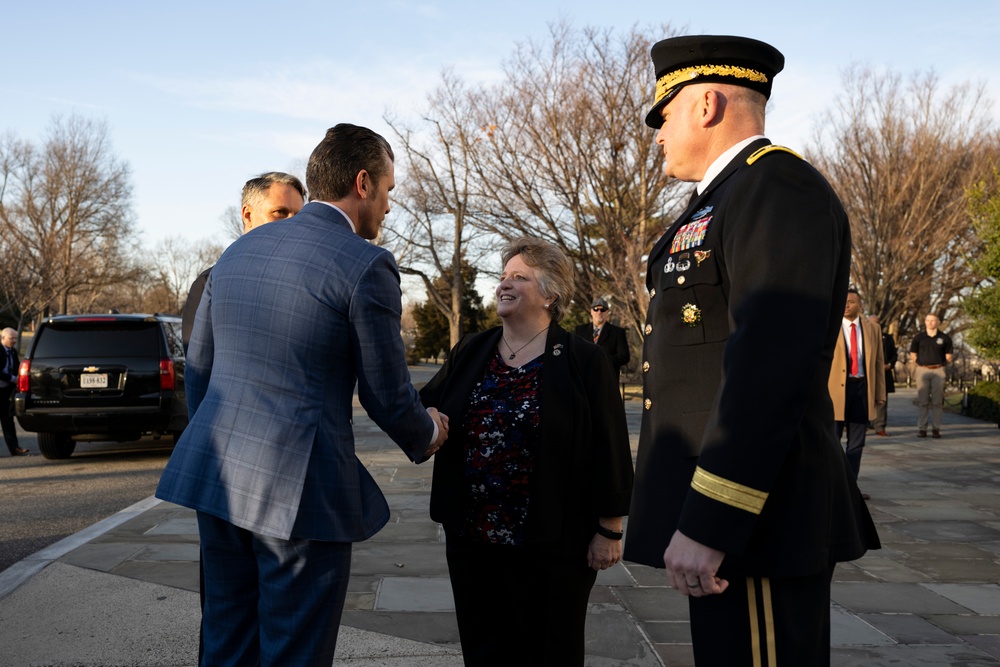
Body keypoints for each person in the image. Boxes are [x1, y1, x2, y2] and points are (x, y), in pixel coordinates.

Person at [624, 35, 880, 666]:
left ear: (707, 103)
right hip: (733, 524)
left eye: (665, 114)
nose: (656, 133)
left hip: (754, 524)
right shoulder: (723, 198)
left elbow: (768, 368)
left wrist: (712, 520)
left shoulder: (776, 188)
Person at [156, 124, 449, 666]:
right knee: (294, 650)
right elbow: (385, 393)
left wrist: (219, 449)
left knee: (224, 638)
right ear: (362, 183)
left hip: (216, 479)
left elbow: (200, 371)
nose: (388, 206)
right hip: (298, 493)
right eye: (388, 190)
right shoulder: (366, 263)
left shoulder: (235, 255)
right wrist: (429, 431)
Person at [420, 238, 633, 666]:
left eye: (519, 277)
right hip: (473, 539)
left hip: (554, 543)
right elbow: (428, 405)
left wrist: (610, 529)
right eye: (502, 277)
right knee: (484, 651)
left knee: (550, 650)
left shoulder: (583, 359)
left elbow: (610, 446)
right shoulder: (472, 350)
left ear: (551, 294)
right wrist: (427, 416)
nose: (504, 284)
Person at [180, 171, 306, 351]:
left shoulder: (311, 283)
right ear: (248, 215)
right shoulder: (210, 283)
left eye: (299, 216)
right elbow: (197, 363)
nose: (293, 223)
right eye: (279, 212)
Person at [827, 289, 885, 492]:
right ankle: (832, 487)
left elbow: (878, 362)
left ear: (860, 305)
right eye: (843, 302)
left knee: (857, 443)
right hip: (835, 392)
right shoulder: (829, 324)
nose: (846, 305)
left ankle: (851, 488)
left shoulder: (872, 329)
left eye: (850, 302)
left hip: (861, 389)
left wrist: (879, 393)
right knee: (832, 441)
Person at [909, 313, 953, 438]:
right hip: (922, 370)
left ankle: (936, 428)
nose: (930, 323)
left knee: (937, 401)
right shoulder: (919, 337)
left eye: (933, 320)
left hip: (938, 370)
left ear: (938, 322)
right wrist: (919, 363)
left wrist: (942, 364)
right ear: (925, 322)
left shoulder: (944, 338)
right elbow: (913, 353)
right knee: (923, 401)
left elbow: (949, 355)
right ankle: (922, 428)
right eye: (927, 320)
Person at [574, 297, 630, 377]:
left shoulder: (617, 332)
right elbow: (574, 354)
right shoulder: (580, 331)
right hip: (584, 381)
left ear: (607, 312)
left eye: (602, 310)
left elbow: (624, 357)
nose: (599, 312)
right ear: (591, 311)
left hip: (608, 381)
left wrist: (602, 360)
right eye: (596, 309)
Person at [1, 328, 29, 456]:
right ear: (3, 338)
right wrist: (13, 379)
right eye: (11, 338)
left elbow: (17, 368)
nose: (14, 341)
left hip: (7, 390)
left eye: (15, 338)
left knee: (8, 420)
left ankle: (14, 448)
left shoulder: (13, 351)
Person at [870, 315, 898, 436]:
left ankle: (880, 426)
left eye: (876, 323)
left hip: (883, 374)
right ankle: (864, 424)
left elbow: (894, 355)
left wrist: (889, 365)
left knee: (881, 400)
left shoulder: (887, 338)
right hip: (866, 374)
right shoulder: (861, 335)